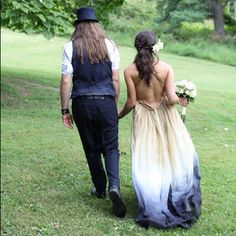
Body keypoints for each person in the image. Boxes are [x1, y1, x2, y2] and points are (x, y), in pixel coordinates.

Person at [118, 31, 201, 228]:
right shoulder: (166, 68)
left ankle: (152, 198)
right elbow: (171, 99)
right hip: (166, 116)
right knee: (170, 154)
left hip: (143, 116)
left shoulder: (129, 70)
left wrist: (119, 115)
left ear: (137, 47)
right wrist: (180, 99)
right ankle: (170, 195)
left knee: (147, 157)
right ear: (156, 46)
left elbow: (131, 102)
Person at [60, 7, 126, 218]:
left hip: (82, 102)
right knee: (111, 147)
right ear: (96, 24)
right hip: (106, 101)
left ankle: (99, 188)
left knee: (91, 147)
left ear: (77, 25)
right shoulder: (110, 45)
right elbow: (115, 79)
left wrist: (64, 109)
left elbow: (65, 80)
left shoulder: (70, 47)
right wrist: (113, 102)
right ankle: (113, 186)